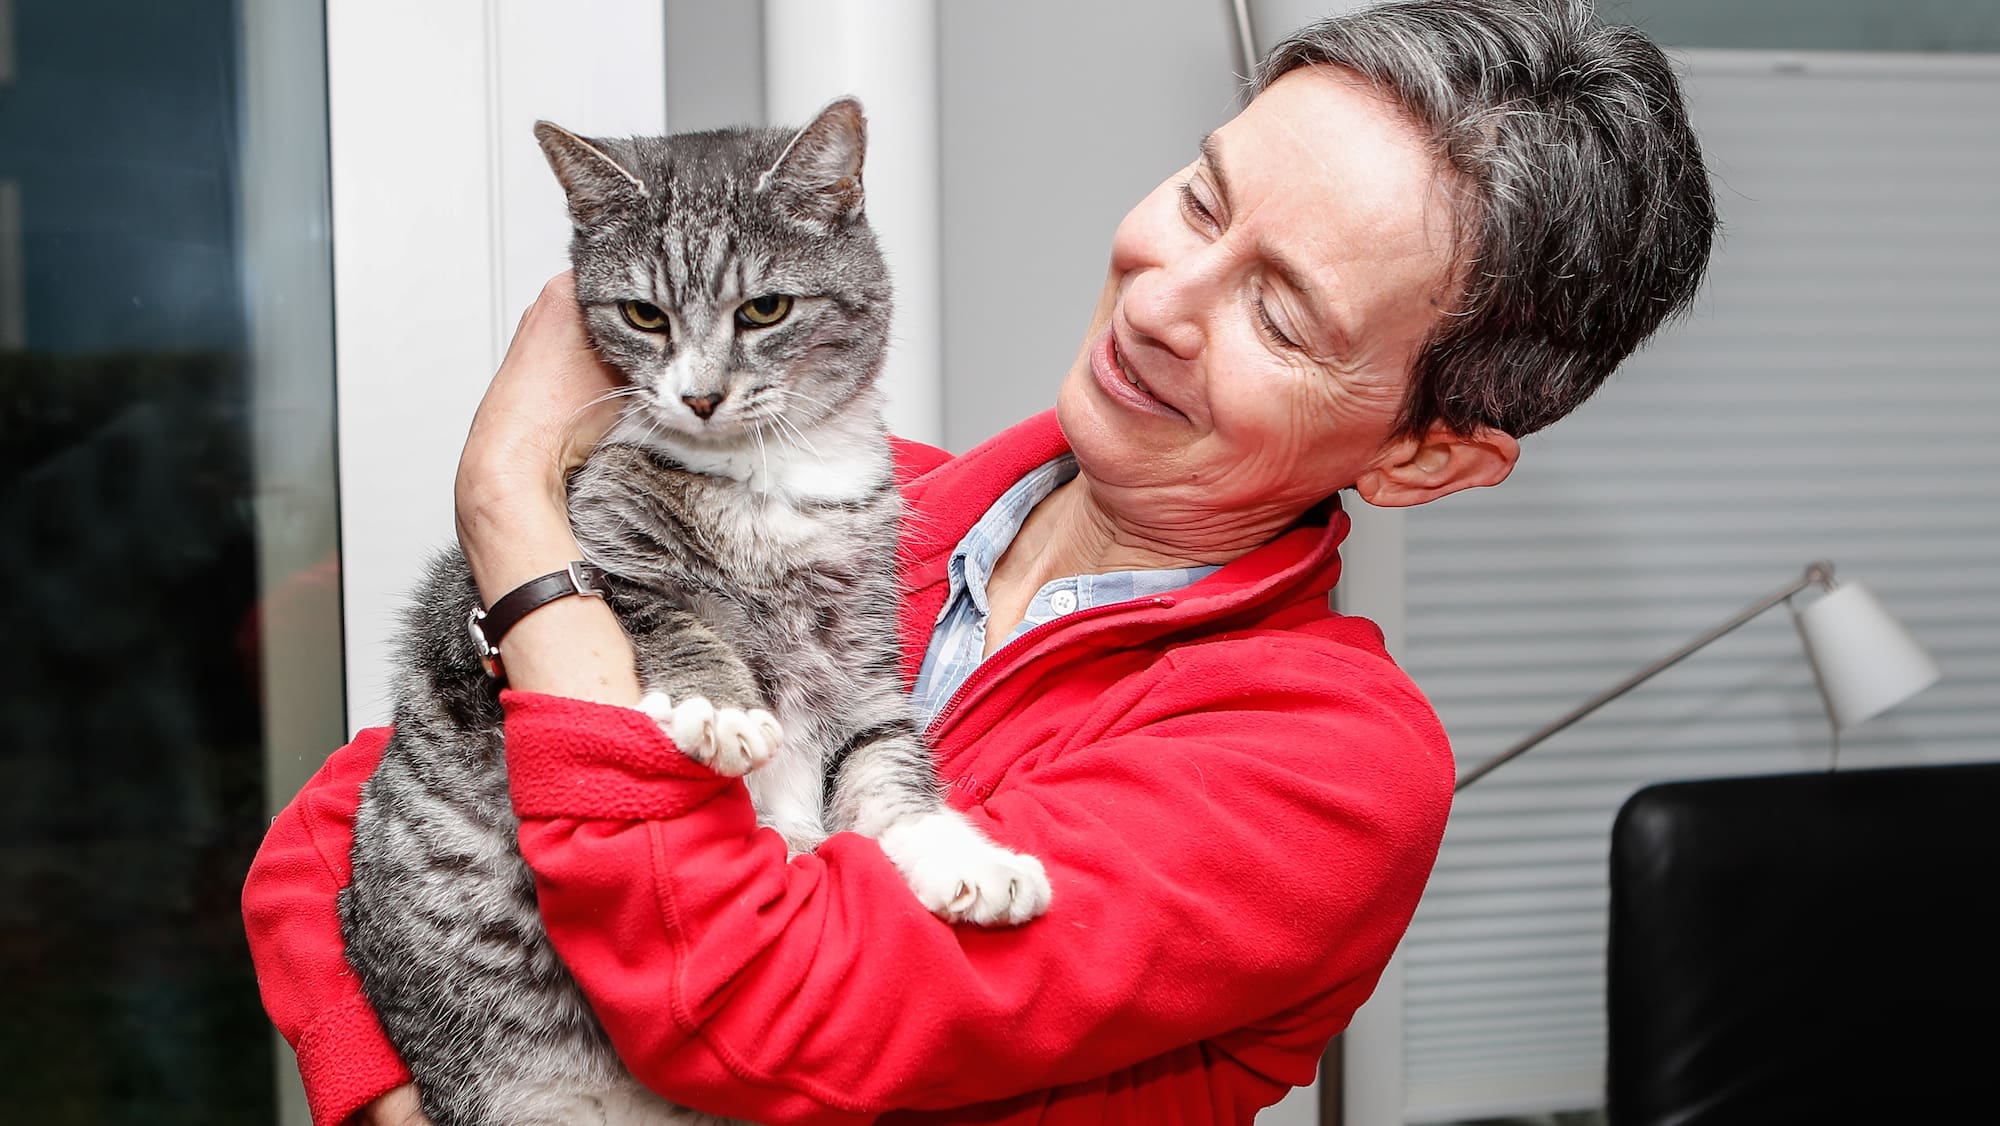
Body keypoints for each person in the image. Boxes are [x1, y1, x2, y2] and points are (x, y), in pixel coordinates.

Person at [242, 2, 1715, 1123]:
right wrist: (397, 1102)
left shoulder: (1324, 769)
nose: (1163, 300)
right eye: (1203, 200)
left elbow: (744, 1005)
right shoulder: (860, 504)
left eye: (1281, 314)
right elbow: (329, 836)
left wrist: (512, 505)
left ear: (1426, 457)